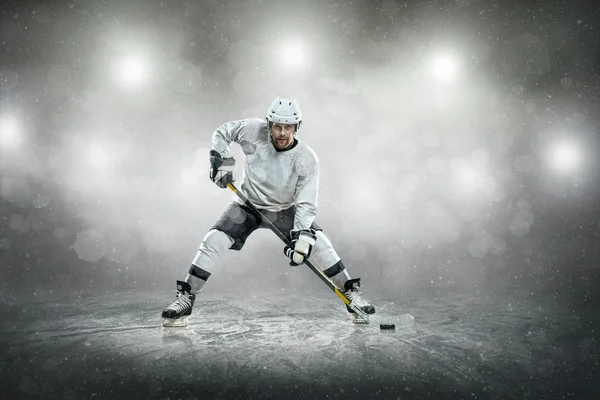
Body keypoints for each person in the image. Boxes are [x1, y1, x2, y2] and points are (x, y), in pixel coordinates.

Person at [161, 97, 375, 327]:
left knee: (320, 244)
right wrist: (221, 160)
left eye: (288, 127)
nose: (282, 133)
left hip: (285, 209)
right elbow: (221, 133)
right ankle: (186, 298)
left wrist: (302, 238)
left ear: (297, 127)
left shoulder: (307, 159)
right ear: (268, 124)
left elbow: (305, 203)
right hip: (247, 205)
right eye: (277, 126)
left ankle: (351, 296)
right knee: (214, 240)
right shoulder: (252, 130)